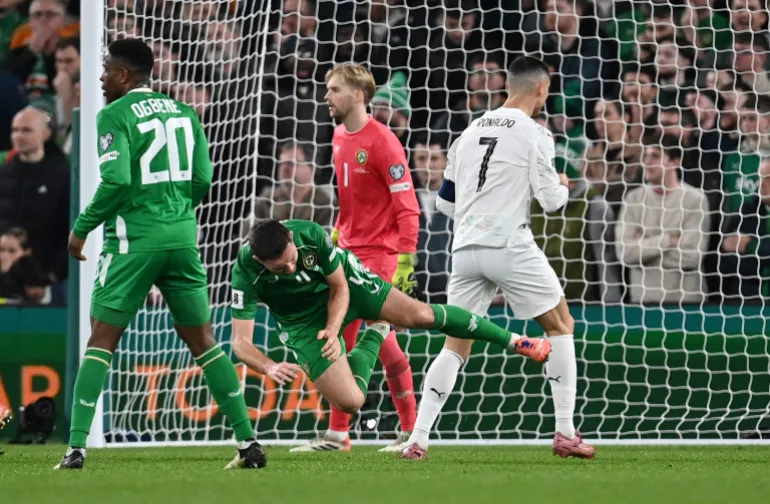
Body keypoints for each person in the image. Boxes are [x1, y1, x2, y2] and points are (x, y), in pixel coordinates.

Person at [55, 38, 264, 471]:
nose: (101, 76)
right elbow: (204, 178)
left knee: (101, 340)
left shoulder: (113, 114)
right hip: (184, 240)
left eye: (107, 68)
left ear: (125, 76)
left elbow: (115, 182)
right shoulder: (186, 113)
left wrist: (80, 231)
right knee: (204, 342)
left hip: (134, 243)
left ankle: (75, 448)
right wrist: (174, 209)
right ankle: (248, 443)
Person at [401, 56, 596, 460]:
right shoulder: (536, 134)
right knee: (560, 323)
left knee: (455, 345)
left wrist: (479, 205)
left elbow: (443, 204)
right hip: (508, 242)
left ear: (506, 86)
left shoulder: (468, 133)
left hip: (465, 248)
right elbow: (551, 202)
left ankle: (417, 439)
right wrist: (561, 183)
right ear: (542, 89)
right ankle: (564, 431)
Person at [230, 219, 550, 435]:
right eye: (279, 267)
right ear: (259, 261)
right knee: (351, 401)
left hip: (347, 287)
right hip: (302, 323)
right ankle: (376, 332)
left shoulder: (309, 234)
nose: (290, 267)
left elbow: (340, 288)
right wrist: (269, 366)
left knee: (421, 315)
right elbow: (241, 343)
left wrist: (333, 327)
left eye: (291, 258)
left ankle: (516, 341)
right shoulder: (244, 272)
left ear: (290, 239)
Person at [289, 62, 422, 453]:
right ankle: (348, 434)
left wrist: (405, 260)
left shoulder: (384, 142)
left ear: (358, 95)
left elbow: (407, 207)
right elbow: (350, 201)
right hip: (347, 252)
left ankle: (350, 433)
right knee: (358, 340)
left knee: (361, 339)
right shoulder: (337, 137)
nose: (326, 96)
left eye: (333, 90)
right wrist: (335, 236)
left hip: (381, 255)